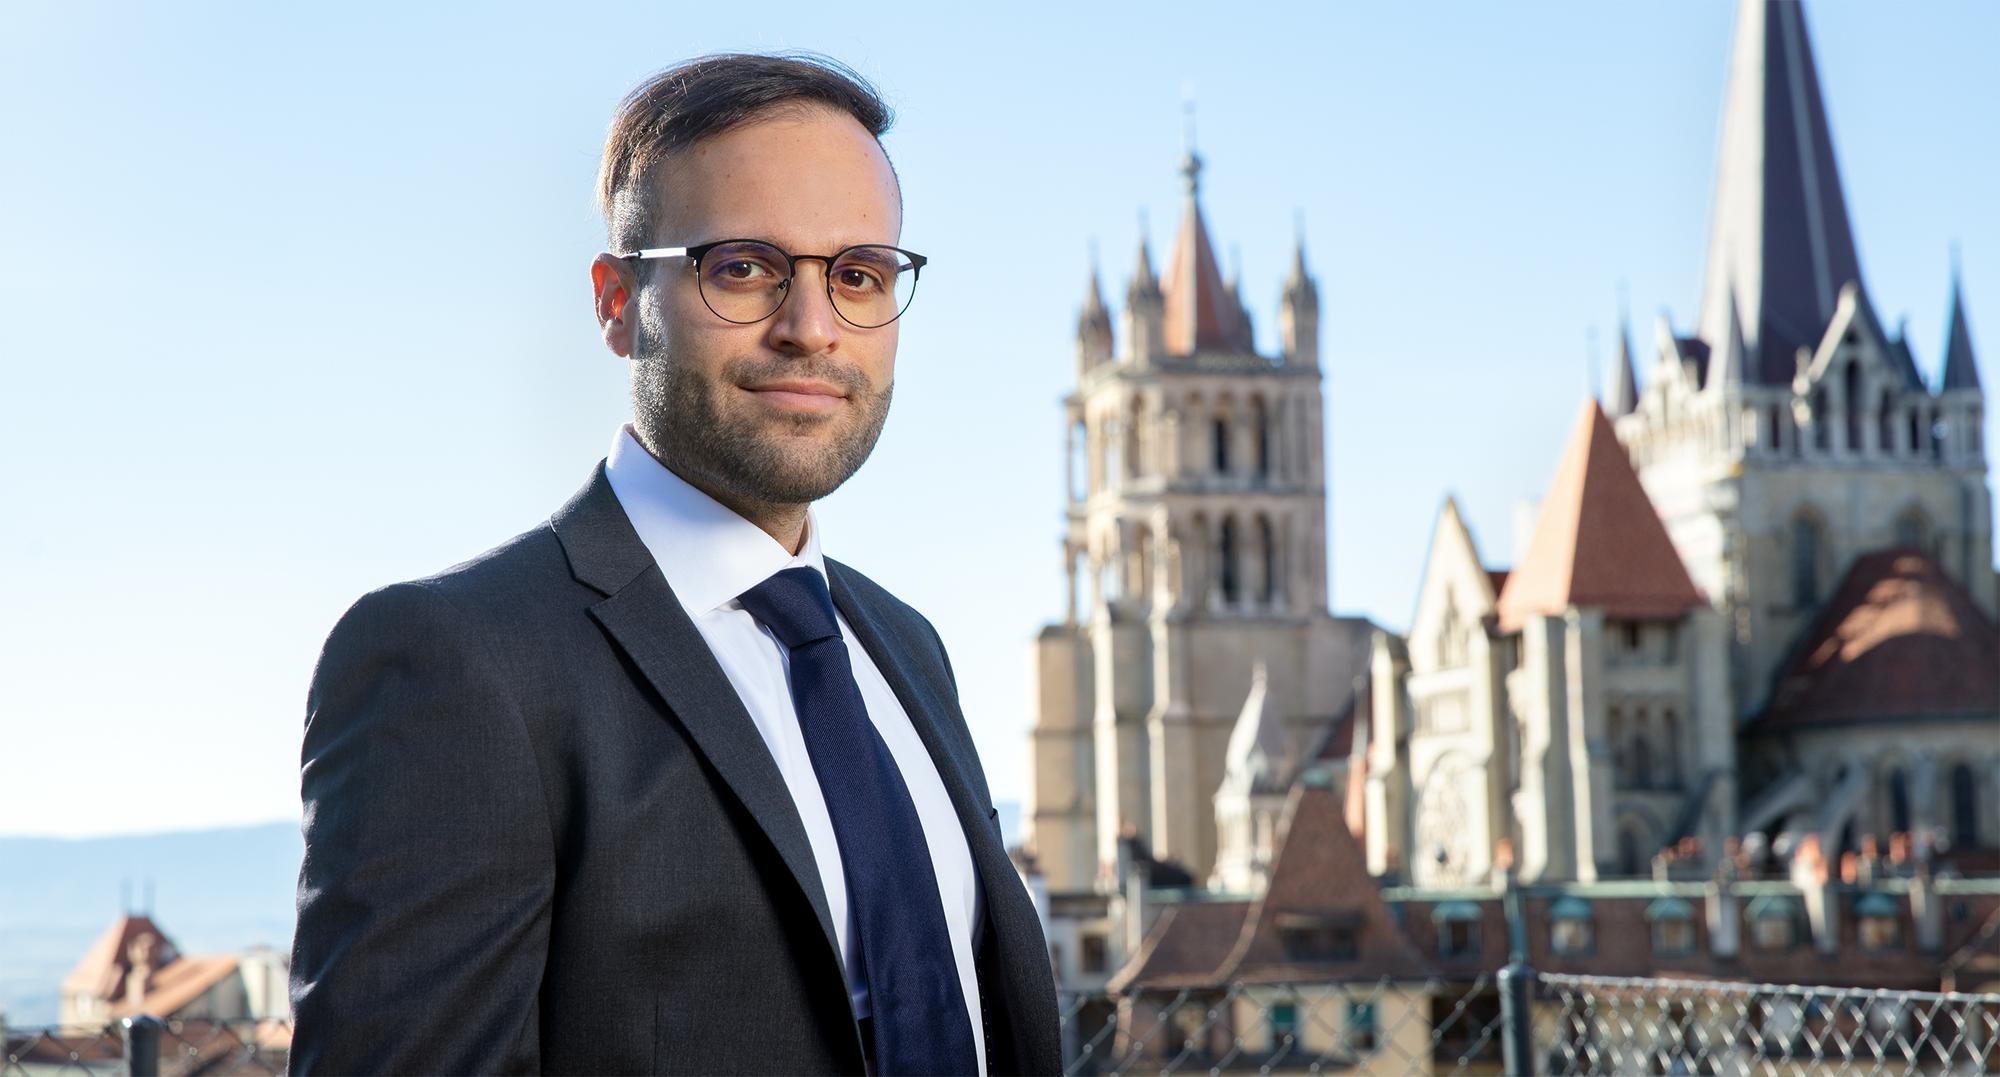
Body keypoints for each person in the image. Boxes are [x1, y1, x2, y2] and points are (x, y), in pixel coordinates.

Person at [289, 53, 1060, 1075]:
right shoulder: (459, 661)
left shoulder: (904, 649)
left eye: (858, 275)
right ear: (618, 303)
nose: (812, 328)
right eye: (741, 267)